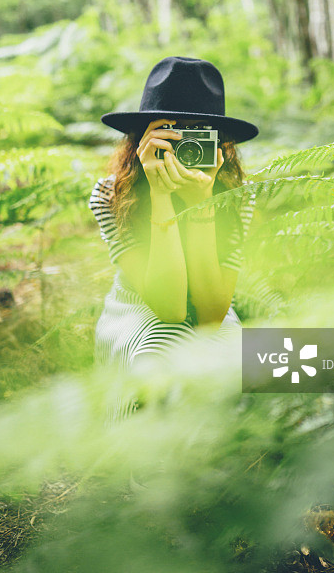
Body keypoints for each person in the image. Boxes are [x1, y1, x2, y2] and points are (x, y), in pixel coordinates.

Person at [88, 56, 258, 419]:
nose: (186, 146)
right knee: (155, 357)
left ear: (221, 144)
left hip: (209, 309)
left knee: (233, 357)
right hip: (139, 306)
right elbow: (169, 309)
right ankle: (151, 466)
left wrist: (202, 206)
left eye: (198, 133)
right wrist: (160, 196)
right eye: (172, 131)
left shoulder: (238, 195)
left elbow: (211, 315)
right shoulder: (110, 194)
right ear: (142, 137)